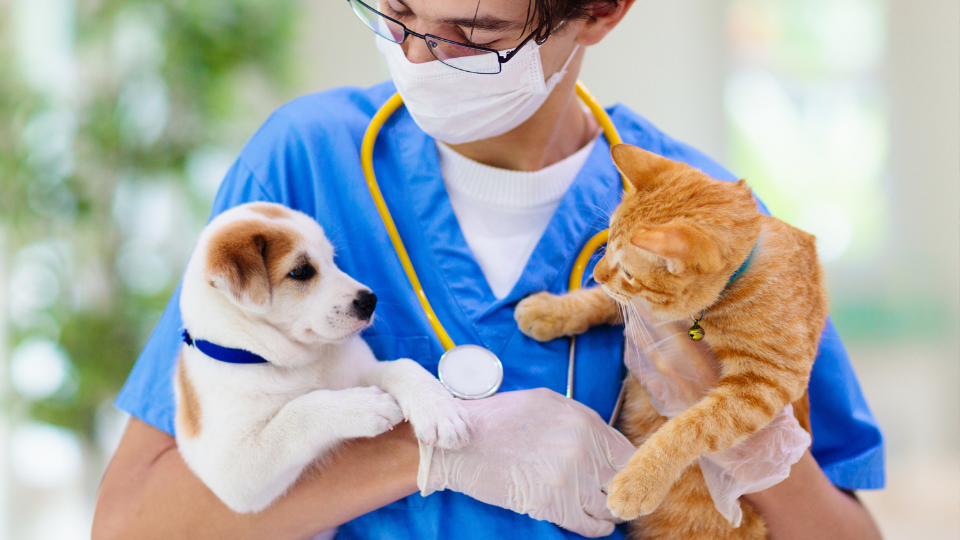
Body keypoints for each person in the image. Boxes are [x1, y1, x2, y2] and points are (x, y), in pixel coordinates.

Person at [92, 0, 886, 538]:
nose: (416, 56)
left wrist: (749, 444)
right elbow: (133, 522)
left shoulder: (713, 229)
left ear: (602, 10)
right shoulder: (301, 172)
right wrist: (430, 451)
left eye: (471, 33)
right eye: (395, 10)